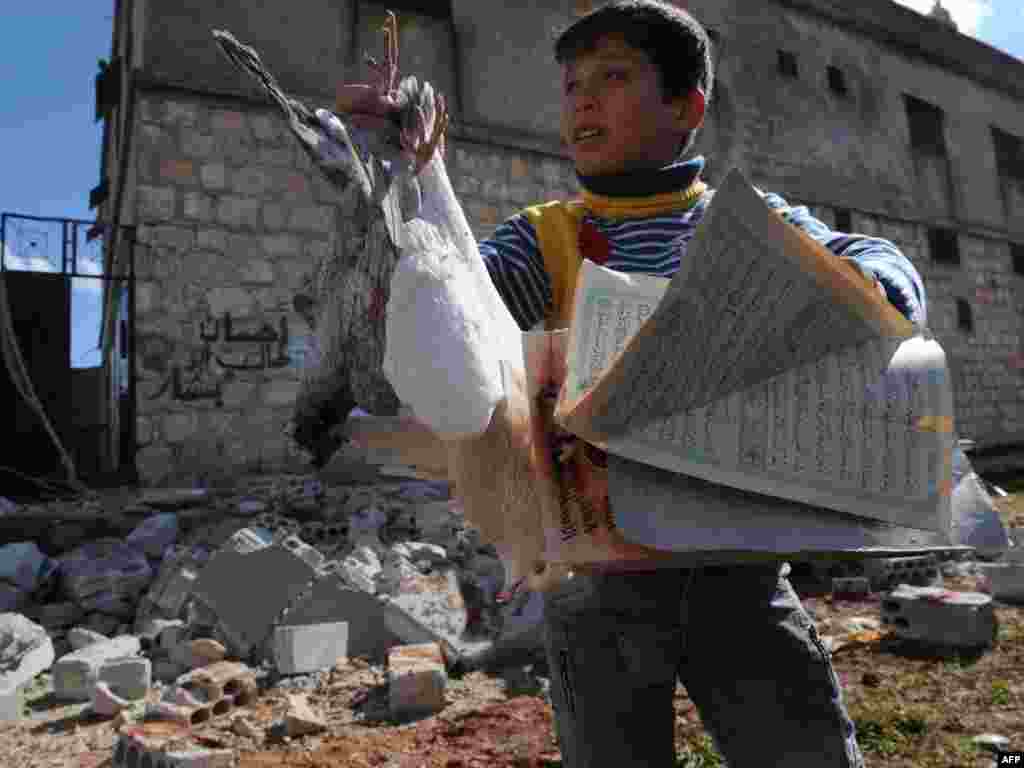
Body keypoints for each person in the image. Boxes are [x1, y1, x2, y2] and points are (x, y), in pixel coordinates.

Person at [338, 2, 927, 765]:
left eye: (613, 77)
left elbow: (875, 262)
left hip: (741, 578)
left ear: (687, 106)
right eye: (573, 84)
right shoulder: (538, 240)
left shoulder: (745, 223)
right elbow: (448, 311)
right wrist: (388, 177)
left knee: (803, 751)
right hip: (597, 591)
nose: (583, 98)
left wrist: (868, 289)